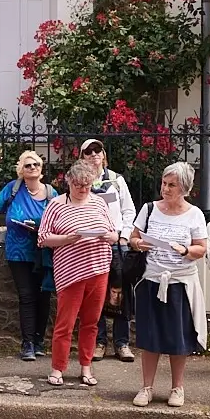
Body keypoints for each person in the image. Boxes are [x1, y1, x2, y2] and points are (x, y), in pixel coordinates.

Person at [129, 162, 207, 408]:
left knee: (178, 337)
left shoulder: (194, 214)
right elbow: (133, 238)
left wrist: (185, 249)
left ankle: (177, 388)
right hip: (152, 280)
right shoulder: (149, 209)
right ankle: (146, 387)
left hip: (179, 283)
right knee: (149, 336)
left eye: (172, 185)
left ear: (184, 188)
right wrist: (137, 244)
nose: (166, 188)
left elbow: (201, 248)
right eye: (164, 183)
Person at [37, 160, 117, 387]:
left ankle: (86, 366)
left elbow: (113, 234)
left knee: (91, 322)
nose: (83, 189)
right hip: (70, 271)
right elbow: (43, 238)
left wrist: (107, 236)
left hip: (98, 268)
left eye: (88, 185)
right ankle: (57, 368)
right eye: (79, 185)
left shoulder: (100, 203)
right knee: (66, 322)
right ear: (69, 182)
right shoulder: (56, 205)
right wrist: (66, 239)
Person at [0, 150, 56, 360]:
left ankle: (39, 341)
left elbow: (58, 218)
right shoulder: (13, 189)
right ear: (21, 169)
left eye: (36, 164)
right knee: (26, 295)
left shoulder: (50, 193)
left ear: (41, 169)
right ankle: (27, 343)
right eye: (28, 165)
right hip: (17, 252)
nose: (33, 168)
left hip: (42, 251)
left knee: (44, 295)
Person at [79, 138, 137, 363]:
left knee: (119, 292)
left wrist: (123, 236)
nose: (94, 155)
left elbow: (128, 210)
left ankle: (122, 343)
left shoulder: (117, 180)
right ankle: (99, 342)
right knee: (95, 294)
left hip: (116, 243)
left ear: (104, 154)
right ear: (82, 156)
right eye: (88, 152)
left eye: (98, 151)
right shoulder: (80, 181)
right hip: (91, 244)